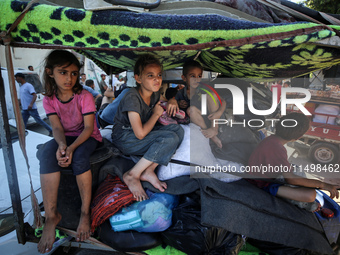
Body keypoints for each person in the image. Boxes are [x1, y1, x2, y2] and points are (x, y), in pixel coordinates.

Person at [37, 50, 102, 253]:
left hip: (88, 137)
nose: (69, 78)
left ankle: (84, 213)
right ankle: (51, 216)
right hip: (65, 137)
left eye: (74, 73)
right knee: (47, 155)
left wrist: (72, 148)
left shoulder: (84, 96)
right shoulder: (49, 99)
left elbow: (89, 128)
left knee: (80, 158)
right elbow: (56, 128)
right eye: (63, 72)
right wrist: (62, 146)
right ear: (50, 72)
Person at [111, 54, 184, 201]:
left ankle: (148, 171)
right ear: (138, 79)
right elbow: (140, 134)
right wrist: (156, 115)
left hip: (139, 135)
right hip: (125, 138)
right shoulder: (132, 97)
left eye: (159, 75)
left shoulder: (154, 93)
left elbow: (164, 101)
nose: (157, 79)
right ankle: (132, 174)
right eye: (150, 76)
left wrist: (172, 100)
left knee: (178, 131)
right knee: (168, 138)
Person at [247, 113, 339, 208]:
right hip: (263, 184)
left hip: (267, 177)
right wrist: (322, 184)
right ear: (298, 138)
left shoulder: (272, 140)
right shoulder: (276, 147)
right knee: (310, 195)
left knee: (297, 171)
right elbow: (290, 179)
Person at [174, 60, 226, 148]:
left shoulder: (205, 87)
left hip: (213, 117)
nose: (196, 79)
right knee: (190, 109)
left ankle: (214, 129)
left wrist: (219, 113)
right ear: (184, 78)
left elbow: (223, 101)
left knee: (211, 95)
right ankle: (211, 136)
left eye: (199, 76)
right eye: (192, 76)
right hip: (199, 120)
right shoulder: (181, 93)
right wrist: (179, 103)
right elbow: (177, 107)